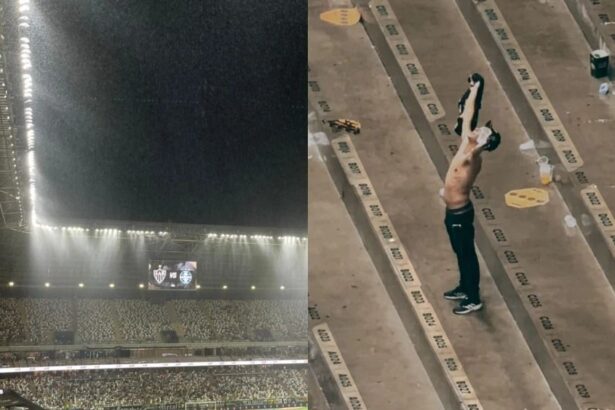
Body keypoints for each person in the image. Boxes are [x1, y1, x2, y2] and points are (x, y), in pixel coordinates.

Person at [442, 73, 501, 315]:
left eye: (481, 131)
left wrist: (483, 143)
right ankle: (464, 287)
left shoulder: (473, 158)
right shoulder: (467, 139)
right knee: (459, 252)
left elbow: (474, 153)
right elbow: (468, 112)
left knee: (467, 254)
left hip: (460, 214)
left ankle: (473, 296)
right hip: (451, 211)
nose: (476, 128)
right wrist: (475, 88)